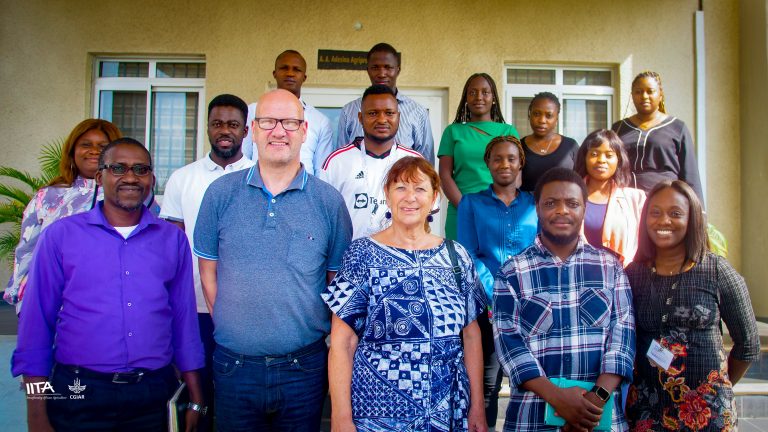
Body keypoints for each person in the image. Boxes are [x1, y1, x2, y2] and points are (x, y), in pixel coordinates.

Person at [12, 138, 205, 431]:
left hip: (152, 394)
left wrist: (195, 397)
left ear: (152, 179)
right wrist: (36, 415)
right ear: (100, 177)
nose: (130, 177)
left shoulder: (172, 239)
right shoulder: (61, 237)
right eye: (118, 168)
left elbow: (184, 322)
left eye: (141, 169)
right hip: (78, 392)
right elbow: (36, 326)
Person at [194, 89, 353, 431]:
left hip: (304, 368)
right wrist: (235, 326)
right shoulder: (220, 194)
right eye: (268, 122)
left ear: (304, 130)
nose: (278, 131)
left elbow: (335, 285)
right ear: (253, 129)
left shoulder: (328, 202)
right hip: (234, 367)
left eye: (289, 122)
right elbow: (208, 273)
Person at [324, 156, 488, 432]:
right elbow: (342, 343)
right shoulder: (361, 254)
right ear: (387, 195)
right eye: (400, 188)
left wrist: (478, 407)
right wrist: (341, 418)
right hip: (376, 413)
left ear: (435, 198)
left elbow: (471, 336)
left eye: (420, 189)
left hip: (446, 410)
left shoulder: (456, 256)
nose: (410, 197)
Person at [494, 167, 635, 432]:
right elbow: (509, 344)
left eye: (572, 203)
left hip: (599, 419)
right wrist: (559, 399)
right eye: (551, 203)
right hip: (531, 420)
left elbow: (622, 338)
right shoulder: (512, 272)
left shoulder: (610, 267)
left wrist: (595, 401)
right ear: (536, 208)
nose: (562, 211)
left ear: (584, 208)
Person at [625, 180, 759, 431]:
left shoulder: (717, 271)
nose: (663, 220)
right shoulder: (633, 275)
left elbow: (748, 345)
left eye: (675, 213)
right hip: (646, 411)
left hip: (707, 414)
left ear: (692, 218)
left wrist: (715, 385)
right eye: (655, 212)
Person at [160, 93, 254, 431]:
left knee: (236, 393)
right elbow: (169, 245)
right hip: (194, 306)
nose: (224, 131)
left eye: (232, 124)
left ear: (246, 130)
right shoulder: (182, 178)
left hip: (245, 307)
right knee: (196, 393)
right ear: (208, 128)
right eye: (217, 124)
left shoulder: (259, 177)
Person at [457, 135, 538, 429]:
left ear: (521, 163)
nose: (505, 164)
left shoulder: (535, 203)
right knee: (487, 385)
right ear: (488, 164)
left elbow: (540, 253)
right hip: (486, 309)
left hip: (530, 308)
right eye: (498, 159)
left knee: (527, 382)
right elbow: (468, 254)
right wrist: (499, 294)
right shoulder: (472, 203)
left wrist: (521, 295)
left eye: (511, 158)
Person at [4, 119, 121, 312]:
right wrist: (22, 296)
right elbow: (27, 248)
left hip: (110, 303)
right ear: (72, 151)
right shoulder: (48, 196)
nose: (94, 150)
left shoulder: (131, 195)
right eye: (85, 144)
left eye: (103, 146)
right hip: (51, 300)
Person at [320, 84, 424, 239]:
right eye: (373, 113)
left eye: (389, 113)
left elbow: (425, 212)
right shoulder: (337, 162)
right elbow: (324, 217)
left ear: (399, 117)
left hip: (402, 257)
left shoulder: (415, 162)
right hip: (350, 257)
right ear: (360, 118)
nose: (382, 119)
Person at [438, 73, 519, 240]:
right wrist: (467, 209)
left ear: (494, 98)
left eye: (485, 92)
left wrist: (502, 205)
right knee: (461, 264)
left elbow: (516, 176)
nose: (479, 97)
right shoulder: (453, 131)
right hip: (461, 209)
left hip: (498, 211)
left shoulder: (508, 132)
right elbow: (445, 176)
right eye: (473, 92)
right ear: (466, 98)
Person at [612, 71, 704, 201]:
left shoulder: (677, 127)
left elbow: (690, 174)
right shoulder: (619, 128)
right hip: (627, 201)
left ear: (660, 95)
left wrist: (699, 211)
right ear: (632, 96)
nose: (644, 96)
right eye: (638, 92)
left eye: (650, 91)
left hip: (666, 199)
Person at [336, 42, 434, 163]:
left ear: (398, 70)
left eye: (388, 67)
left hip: (404, 180)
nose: (382, 74)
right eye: (375, 67)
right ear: (367, 70)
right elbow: (341, 158)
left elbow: (426, 162)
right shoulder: (349, 110)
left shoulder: (417, 112)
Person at [243, 50, 334, 175]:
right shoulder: (253, 111)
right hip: (257, 190)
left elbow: (322, 172)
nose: (290, 73)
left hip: (304, 192)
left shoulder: (320, 121)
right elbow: (243, 159)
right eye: (284, 68)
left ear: (304, 77)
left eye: (296, 69)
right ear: (275, 74)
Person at [574, 129, 646, 266]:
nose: (601, 160)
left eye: (609, 155)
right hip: (578, 277)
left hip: (625, 278)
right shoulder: (569, 196)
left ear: (618, 160)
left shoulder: (635, 199)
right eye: (594, 154)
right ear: (585, 157)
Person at [519, 92, 579, 192]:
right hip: (528, 206)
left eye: (549, 115)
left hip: (563, 206)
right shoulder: (518, 147)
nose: (542, 120)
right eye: (536, 114)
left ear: (556, 119)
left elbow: (581, 181)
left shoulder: (570, 146)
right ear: (529, 115)